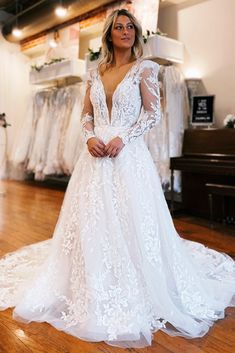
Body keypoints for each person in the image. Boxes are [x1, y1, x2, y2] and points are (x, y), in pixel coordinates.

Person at [0, 8, 235, 349]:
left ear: (136, 34)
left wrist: (123, 137)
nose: (125, 31)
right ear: (109, 34)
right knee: (93, 220)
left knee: (132, 219)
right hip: (95, 157)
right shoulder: (95, 73)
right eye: (119, 27)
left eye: (130, 27)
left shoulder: (145, 69)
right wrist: (89, 138)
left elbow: (153, 114)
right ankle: (91, 278)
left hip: (127, 155)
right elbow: (85, 115)